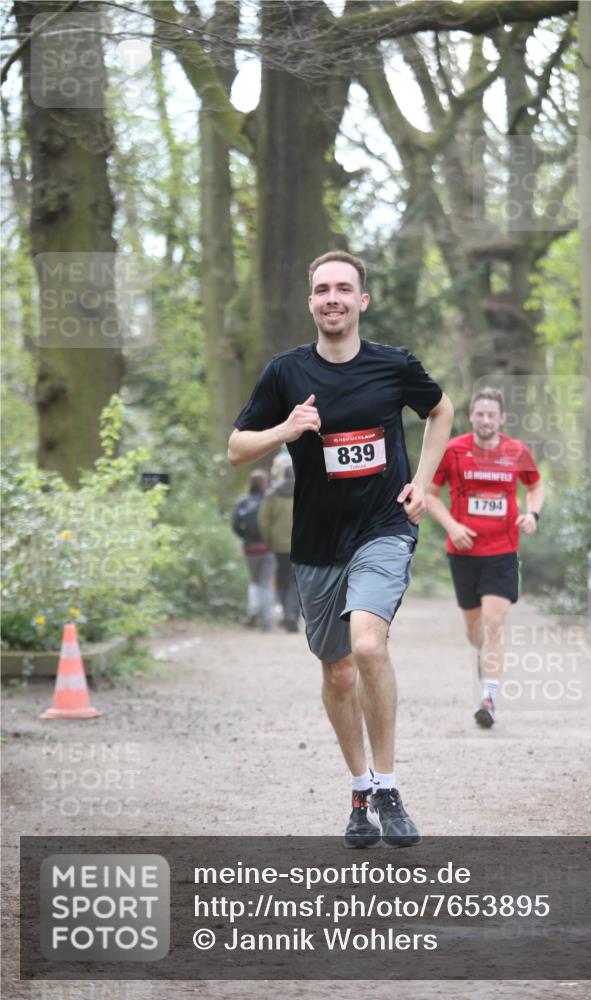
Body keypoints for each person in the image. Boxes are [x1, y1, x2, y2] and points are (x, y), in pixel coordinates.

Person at [228, 249, 453, 847]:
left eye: (343, 289)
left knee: (366, 646)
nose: (333, 298)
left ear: (362, 300)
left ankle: (388, 785)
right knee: (336, 671)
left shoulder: (394, 366)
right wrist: (285, 430)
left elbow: (440, 410)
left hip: (383, 528)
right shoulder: (285, 373)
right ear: (311, 302)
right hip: (315, 544)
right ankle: (359, 789)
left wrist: (423, 483)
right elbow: (235, 447)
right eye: (322, 288)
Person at [425, 387, 544, 728]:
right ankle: (487, 660)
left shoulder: (516, 451)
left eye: (492, 414)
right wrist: (452, 526)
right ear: (471, 417)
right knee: (475, 632)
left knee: (493, 626)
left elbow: (535, 486)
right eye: (480, 414)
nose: (486, 419)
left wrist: (532, 515)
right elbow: (431, 496)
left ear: (502, 418)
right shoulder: (453, 451)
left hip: (502, 552)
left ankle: (488, 699)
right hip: (462, 552)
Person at [232, 469, 275, 632]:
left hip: (250, 548)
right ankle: (265, 620)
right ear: (265, 483)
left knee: (254, 581)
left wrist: (245, 537)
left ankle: (253, 610)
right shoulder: (269, 500)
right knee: (266, 582)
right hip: (267, 548)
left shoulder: (243, 502)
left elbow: (235, 524)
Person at [259, 460, 300, 632]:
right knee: (295, 581)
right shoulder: (302, 492)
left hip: (277, 545)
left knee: (281, 580)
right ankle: (292, 614)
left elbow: (264, 521)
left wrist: (268, 541)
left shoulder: (272, 495)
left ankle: (283, 612)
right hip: (299, 544)